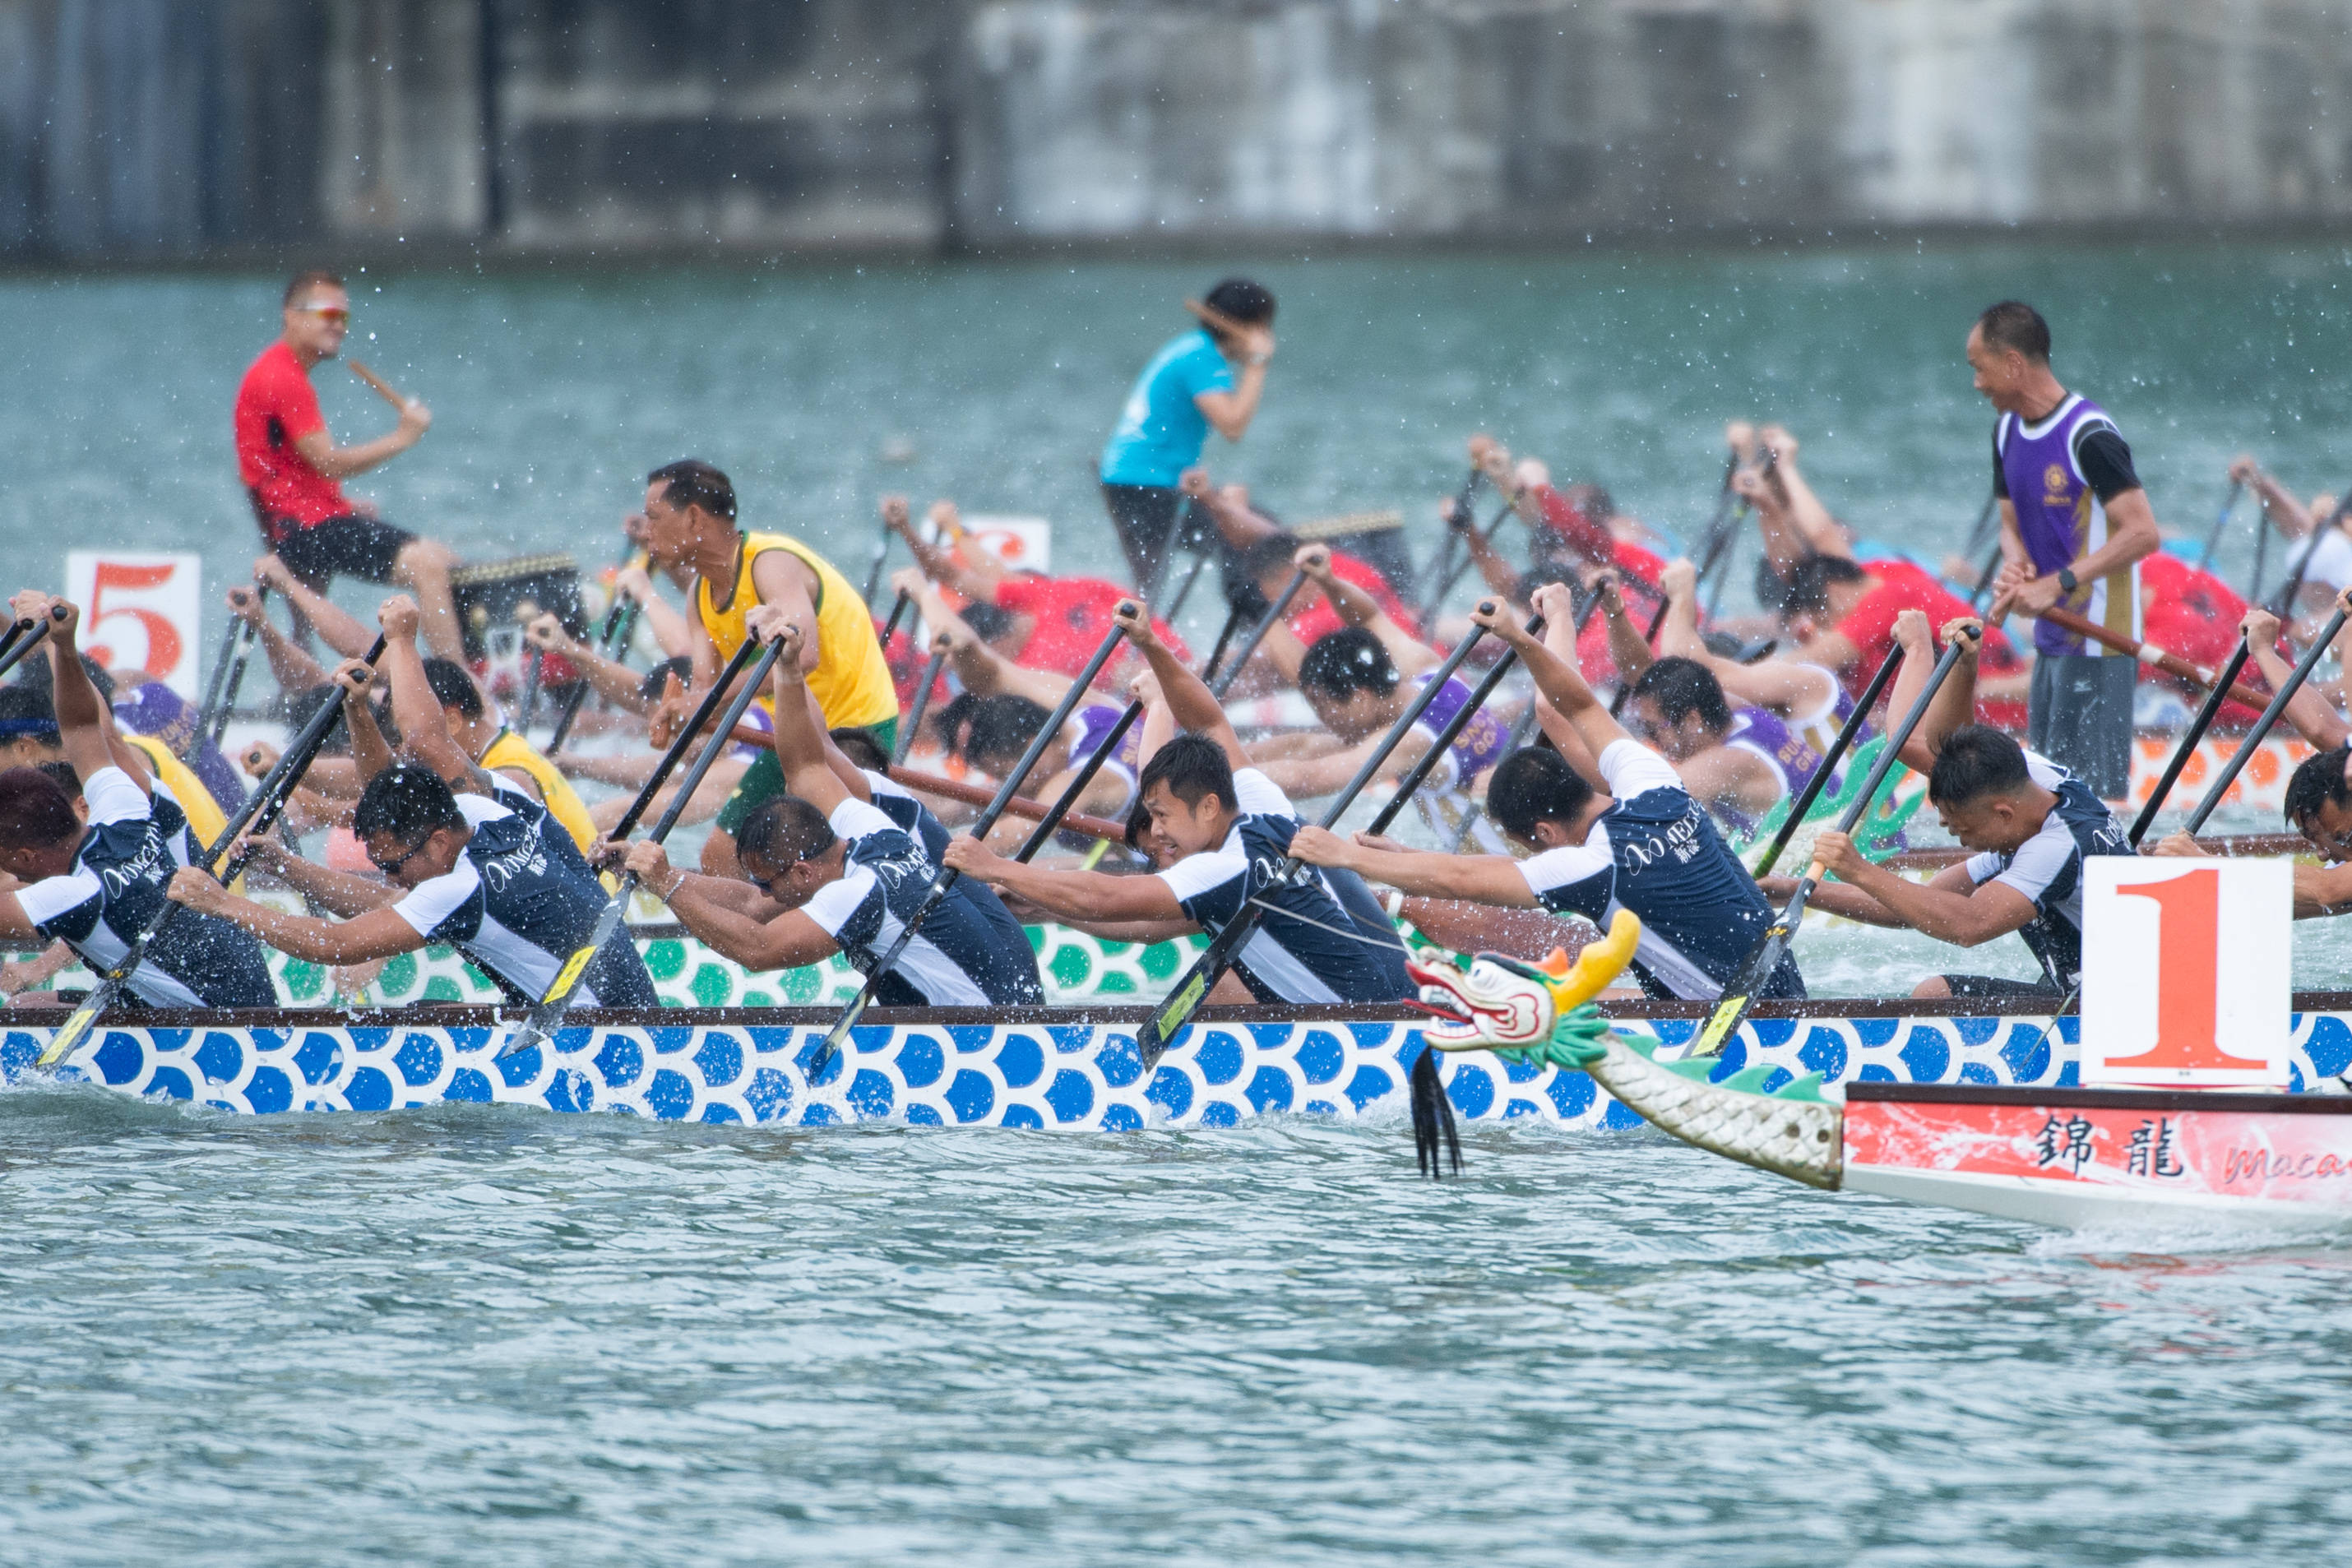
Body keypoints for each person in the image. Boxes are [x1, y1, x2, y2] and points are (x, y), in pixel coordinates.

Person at [1287, 587, 1806, 1004]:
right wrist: (1538, 627)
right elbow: (1568, 709)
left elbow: (1460, 877)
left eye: (1534, 848)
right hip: (1787, 989)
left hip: (1735, 1018)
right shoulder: (1654, 780)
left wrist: (1345, 856)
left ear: (1544, 833)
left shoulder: (1591, 865)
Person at [168, 599, 657, 1011]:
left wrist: (225, 904)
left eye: (394, 865)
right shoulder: (494, 806)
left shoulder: (460, 884)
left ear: (439, 840)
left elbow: (337, 944)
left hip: (600, 1038)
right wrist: (359, 711)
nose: (390, 877)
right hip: (634, 1010)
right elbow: (399, 784)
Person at [942, 601, 1415, 1008]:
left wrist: (998, 869)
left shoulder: (1224, 867)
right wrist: (1152, 647)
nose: (1160, 834)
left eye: (1164, 819)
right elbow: (1208, 720)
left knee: (1224, 984)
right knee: (1225, 983)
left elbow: (1106, 898)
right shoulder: (1259, 802)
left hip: (1366, 1029)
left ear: (1208, 807)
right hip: (1398, 1000)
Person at [611, 617, 1044, 1007]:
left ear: (803, 872)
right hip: (1014, 1002)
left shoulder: (860, 888)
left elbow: (758, 948)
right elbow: (805, 763)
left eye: (767, 881)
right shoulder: (871, 830)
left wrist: (668, 885)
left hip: (994, 1038)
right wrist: (787, 667)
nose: (760, 892)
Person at [1769, 611, 2131, 999]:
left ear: (2002, 813)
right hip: (2076, 989)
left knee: (1932, 995)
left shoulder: (2053, 848)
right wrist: (1791, 890)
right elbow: (1912, 905)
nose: (1962, 843)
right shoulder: (2035, 782)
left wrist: (1858, 870)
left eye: (1964, 830)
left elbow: (1968, 925)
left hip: (2112, 1009)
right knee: (1936, 991)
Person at [0, 595, 275, 1010]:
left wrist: (58, 647)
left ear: (22, 857)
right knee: (27, 1009)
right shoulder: (127, 807)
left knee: (22, 1012)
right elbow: (86, 725)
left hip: (219, 1031)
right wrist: (61, 643)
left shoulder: (72, 894)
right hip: (252, 989)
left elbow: (85, 725)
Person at [635, 460, 898, 876]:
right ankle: (766, 931)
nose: (644, 528)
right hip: (795, 737)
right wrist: (681, 715)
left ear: (693, 518)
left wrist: (708, 699)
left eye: (653, 516)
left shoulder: (770, 563)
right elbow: (711, 695)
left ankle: (802, 929)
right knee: (721, 858)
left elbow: (801, 652)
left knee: (832, 863)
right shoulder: (698, 598)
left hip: (854, 732)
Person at [1971, 300, 2162, 798]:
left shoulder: (2089, 435)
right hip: (2052, 638)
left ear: (2013, 363)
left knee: (2090, 800)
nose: (1977, 383)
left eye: (1980, 368)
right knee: (2050, 793)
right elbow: (2008, 524)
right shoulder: (2006, 430)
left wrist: (2057, 584)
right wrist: (2017, 565)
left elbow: (2143, 534)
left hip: (2101, 638)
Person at [231, 269, 464, 662]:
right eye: (328, 315)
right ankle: (466, 699)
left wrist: (337, 505)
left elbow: (275, 470)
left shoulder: (278, 371)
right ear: (292, 315)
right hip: (308, 529)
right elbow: (328, 461)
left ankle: (300, 693)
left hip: (299, 525)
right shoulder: (282, 377)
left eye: (345, 318)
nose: (339, 326)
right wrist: (402, 438)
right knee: (429, 565)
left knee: (447, 561)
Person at [1099, 279, 1277, 597]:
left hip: (1130, 483)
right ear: (1250, 328)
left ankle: (1247, 628)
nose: (1269, 338)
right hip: (1144, 487)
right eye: (1266, 328)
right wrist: (1257, 362)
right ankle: (1255, 628)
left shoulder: (1191, 347)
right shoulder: (1201, 357)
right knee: (1251, 531)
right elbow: (1233, 427)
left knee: (1249, 521)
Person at [886, 502, 1188, 679]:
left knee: (1205, 666)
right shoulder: (1026, 673)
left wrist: (941, 528)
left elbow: (954, 575)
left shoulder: (1038, 595)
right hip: (1143, 697)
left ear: (998, 641)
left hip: (1163, 651)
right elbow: (957, 576)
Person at [1622, 656, 1826, 831]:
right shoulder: (1747, 714)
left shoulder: (1724, 764)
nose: (1650, 739)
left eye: (1653, 728)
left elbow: (1646, 816)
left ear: (1693, 721)